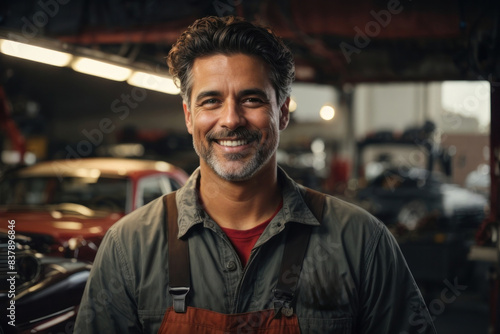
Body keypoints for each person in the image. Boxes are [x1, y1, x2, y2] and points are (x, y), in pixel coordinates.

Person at [74, 16, 436, 333]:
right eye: (211, 101)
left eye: (252, 99)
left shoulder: (361, 243)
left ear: (282, 113)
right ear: (188, 115)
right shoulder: (128, 248)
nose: (231, 120)